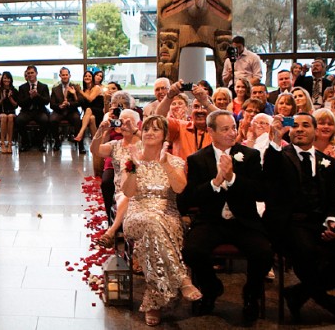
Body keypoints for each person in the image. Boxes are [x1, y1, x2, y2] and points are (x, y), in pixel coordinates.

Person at [263, 113, 335, 323]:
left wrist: (333, 222)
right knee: (305, 252)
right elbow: (269, 173)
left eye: (305, 125)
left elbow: (334, 201)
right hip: (289, 223)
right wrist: (275, 138)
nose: (299, 129)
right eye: (295, 126)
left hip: (320, 221)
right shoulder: (279, 156)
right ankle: (329, 303)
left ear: (315, 130)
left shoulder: (328, 162)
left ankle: (299, 293)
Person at [182, 110, 271, 325]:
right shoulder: (197, 159)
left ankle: (251, 295)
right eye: (225, 129)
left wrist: (232, 178)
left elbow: (260, 191)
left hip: (244, 221)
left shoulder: (249, 156)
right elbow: (190, 198)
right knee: (192, 251)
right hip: (211, 220)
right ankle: (211, 288)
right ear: (210, 131)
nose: (232, 133)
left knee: (264, 252)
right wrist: (215, 182)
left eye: (233, 127)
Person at [119, 115, 202, 326]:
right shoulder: (131, 160)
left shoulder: (174, 160)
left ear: (165, 136)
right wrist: (135, 166)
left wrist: (165, 164)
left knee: (153, 233)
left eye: (156, 129)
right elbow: (128, 192)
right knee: (151, 223)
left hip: (168, 215)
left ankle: (153, 303)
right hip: (137, 213)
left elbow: (180, 188)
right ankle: (182, 279)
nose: (149, 133)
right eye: (146, 129)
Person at [92, 107, 141, 244]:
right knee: (127, 195)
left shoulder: (145, 144)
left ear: (137, 125)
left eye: (129, 122)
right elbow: (95, 150)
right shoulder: (115, 145)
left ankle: (111, 231)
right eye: (121, 122)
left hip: (143, 188)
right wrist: (101, 130)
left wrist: (136, 132)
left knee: (131, 194)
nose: (124, 125)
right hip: (122, 190)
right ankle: (113, 230)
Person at [15, 65, 51, 152]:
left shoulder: (43, 86)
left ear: (36, 73)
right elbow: (20, 103)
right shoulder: (22, 87)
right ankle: (26, 142)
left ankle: (39, 142)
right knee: (19, 120)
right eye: (28, 73)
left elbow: (47, 101)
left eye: (32, 73)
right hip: (27, 111)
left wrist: (37, 96)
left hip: (39, 111)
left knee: (45, 120)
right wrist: (30, 97)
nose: (30, 75)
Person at [49, 67, 81, 151]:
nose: (65, 76)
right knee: (52, 119)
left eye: (66, 75)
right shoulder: (55, 88)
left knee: (77, 119)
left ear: (70, 75)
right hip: (59, 111)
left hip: (71, 110)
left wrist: (69, 103)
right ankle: (57, 141)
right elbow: (51, 104)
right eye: (63, 75)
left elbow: (79, 103)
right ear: (60, 76)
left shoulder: (75, 87)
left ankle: (80, 144)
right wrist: (59, 106)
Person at [74, 68, 105, 143]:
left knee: (88, 109)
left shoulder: (96, 88)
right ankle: (95, 142)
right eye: (85, 76)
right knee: (91, 118)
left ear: (92, 78)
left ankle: (81, 133)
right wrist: (75, 93)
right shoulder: (85, 90)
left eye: (89, 76)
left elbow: (90, 99)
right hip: (89, 114)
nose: (87, 77)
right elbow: (80, 102)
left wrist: (80, 91)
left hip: (98, 111)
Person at [0, 71, 18, 154]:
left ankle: (9, 143)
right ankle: (2, 142)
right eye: (5, 78)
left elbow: (16, 105)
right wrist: (1, 99)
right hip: (0, 112)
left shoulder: (14, 90)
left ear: (11, 80)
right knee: (4, 117)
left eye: (8, 78)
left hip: (11, 112)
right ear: (2, 79)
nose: (6, 80)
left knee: (9, 117)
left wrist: (10, 98)